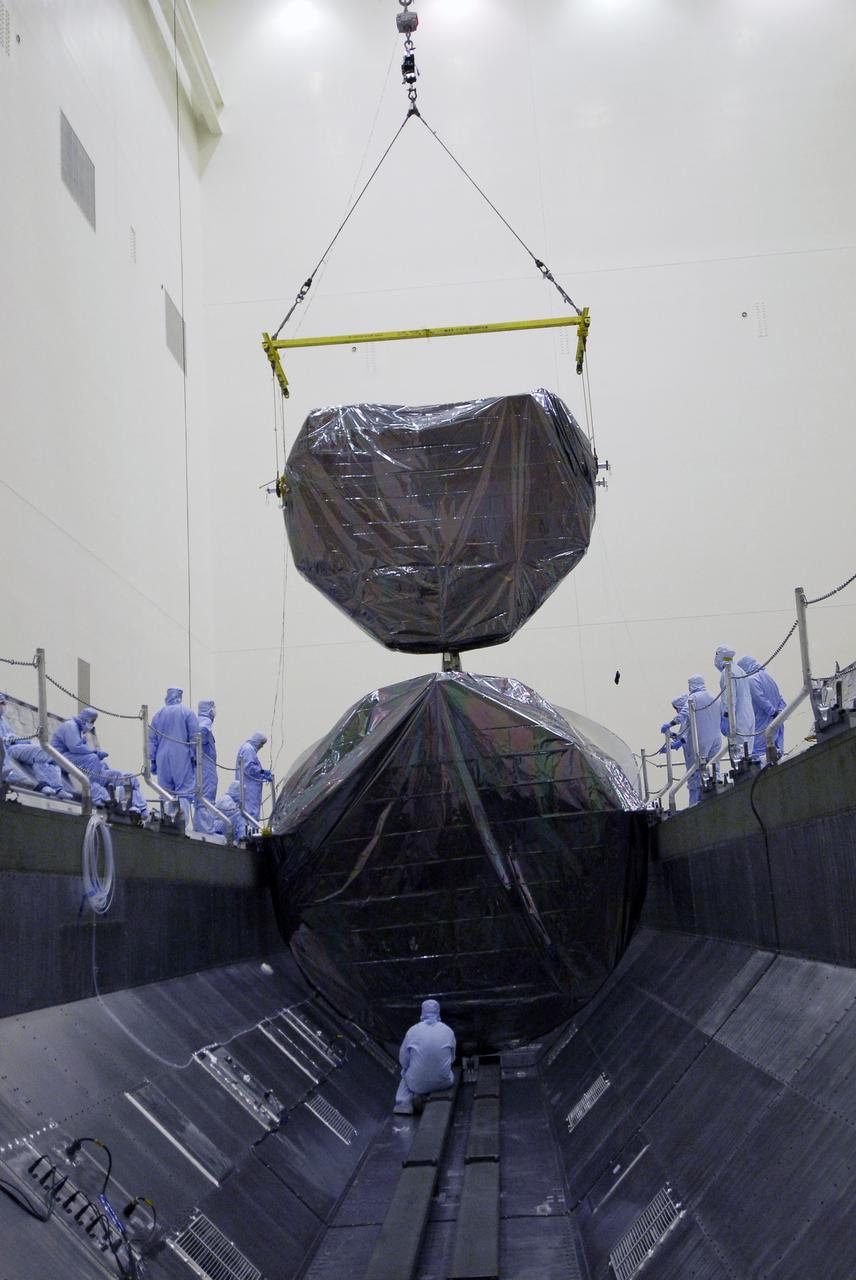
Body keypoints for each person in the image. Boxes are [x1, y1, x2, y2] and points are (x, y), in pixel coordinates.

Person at [52, 707, 148, 814]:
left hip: (76, 759)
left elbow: (82, 751)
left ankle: (138, 806)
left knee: (128, 777)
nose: (92, 724)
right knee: (93, 761)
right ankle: (102, 796)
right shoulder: (70, 726)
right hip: (59, 757)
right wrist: (95, 753)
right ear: (86, 718)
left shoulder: (80, 730)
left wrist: (101, 762)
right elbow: (75, 747)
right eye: (92, 721)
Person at [0, 692, 74, 799]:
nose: (3, 706)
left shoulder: (3, 721)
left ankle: (57, 788)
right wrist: (10, 740)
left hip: (14, 745)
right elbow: (5, 740)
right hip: (9, 750)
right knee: (43, 753)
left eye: (3, 703)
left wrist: (25, 742)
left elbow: (12, 735)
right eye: (1, 703)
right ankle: (44, 785)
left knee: (50, 756)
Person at [394, 998, 456, 1115]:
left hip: (417, 1085)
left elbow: (403, 1060)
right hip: (444, 1082)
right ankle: (425, 1094)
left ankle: (403, 1104)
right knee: (444, 1072)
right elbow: (452, 1058)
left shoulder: (412, 1031)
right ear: (438, 1012)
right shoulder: (448, 1031)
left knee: (405, 1073)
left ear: (422, 1012)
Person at [149, 688, 198, 822]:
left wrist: (153, 760)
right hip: (181, 756)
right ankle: (181, 824)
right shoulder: (187, 712)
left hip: (162, 757)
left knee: (165, 793)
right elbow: (195, 738)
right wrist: (195, 758)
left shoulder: (158, 715)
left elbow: (151, 740)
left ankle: (166, 823)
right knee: (184, 792)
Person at [738, 655, 786, 761]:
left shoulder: (751, 680)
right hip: (775, 722)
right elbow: (780, 698)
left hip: (762, 724)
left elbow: (760, 699)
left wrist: (773, 712)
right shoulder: (767, 676)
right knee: (776, 753)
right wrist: (779, 713)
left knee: (760, 757)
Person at [714, 646, 755, 763]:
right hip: (748, 717)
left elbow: (729, 697)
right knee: (748, 754)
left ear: (720, 656)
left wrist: (726, 717)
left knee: (740, 758)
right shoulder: (739, 670)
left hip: (737, 719)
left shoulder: (727, 672)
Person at [687, 674, 722, 803]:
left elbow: (686, 715)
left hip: (702, 739)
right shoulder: (714, 697)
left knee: (699, 770)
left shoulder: (693, 698)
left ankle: (699, 799)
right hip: (716, 739)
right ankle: (717, 788)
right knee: (714, 766)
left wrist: (672, 723)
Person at [235, 732, 272, 822]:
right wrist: (262, 772)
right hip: (249, 788)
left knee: (251, 811)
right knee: (250, 812)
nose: (261, 746)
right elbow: (249, 767)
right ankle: (251, 830)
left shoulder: (248, 748)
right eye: (261, 744)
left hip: (249, 786)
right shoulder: (248, 749)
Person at [193, 698, 218, 832]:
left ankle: (201, 827)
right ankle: (206, 829)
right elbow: (202, 730)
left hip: (201, 765)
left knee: (201, 800)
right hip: (206, 766)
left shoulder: (196, 721)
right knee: (207, 797)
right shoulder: (205, 721)